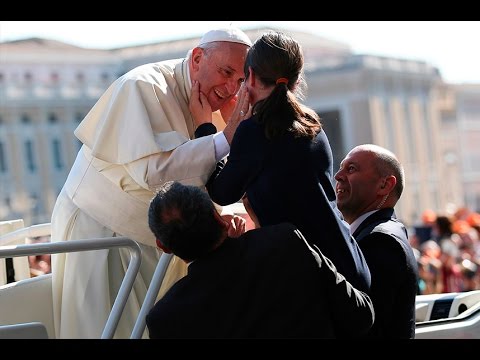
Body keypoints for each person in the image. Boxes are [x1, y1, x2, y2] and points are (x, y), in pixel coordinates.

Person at [49, 26, 252, 339]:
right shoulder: (143, 86)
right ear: (197, 58)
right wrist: (223, 138)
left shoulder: (217, 103)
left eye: (240, 80)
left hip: (159, 247)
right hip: (104, 237)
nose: (231, 88)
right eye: (226, 72)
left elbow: (210, 180)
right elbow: (154, 174)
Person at [202, 30, 371, 292]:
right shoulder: (312, 124)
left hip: (310, 275)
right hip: (346, 262)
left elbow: (222, 192)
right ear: (296, 79)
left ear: (252, 77)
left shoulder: (255, 131)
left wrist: (211, 131)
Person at [145, 181, 374, 339]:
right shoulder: (284, 241)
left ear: (162, 246)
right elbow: (360, 315)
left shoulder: (166, 319)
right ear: (218, 217)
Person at [334, 144, 419, 338]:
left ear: (384, 185)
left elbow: (358, 322)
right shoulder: (375, 233)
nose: (337, 176)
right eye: (340, 168)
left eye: (351, 169)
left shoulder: (381, 241)